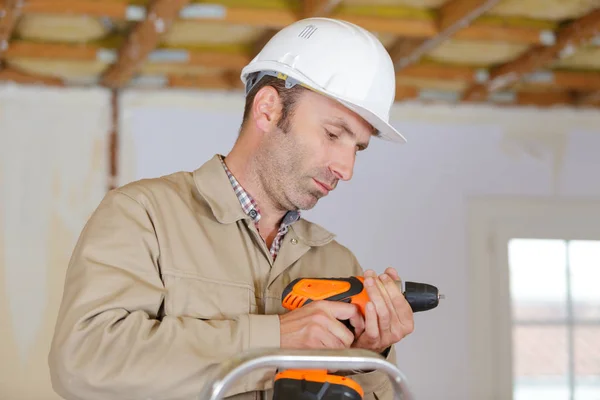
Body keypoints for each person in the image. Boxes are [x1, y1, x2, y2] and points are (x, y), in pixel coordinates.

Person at [48, 17, 414, 400]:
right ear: (269, 109)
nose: (346, 168)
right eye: (333, 134)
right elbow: (83, 363)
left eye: (357, 147)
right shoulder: (144, 217)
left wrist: (369, 359)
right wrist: (275, 339)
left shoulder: (338, 266)